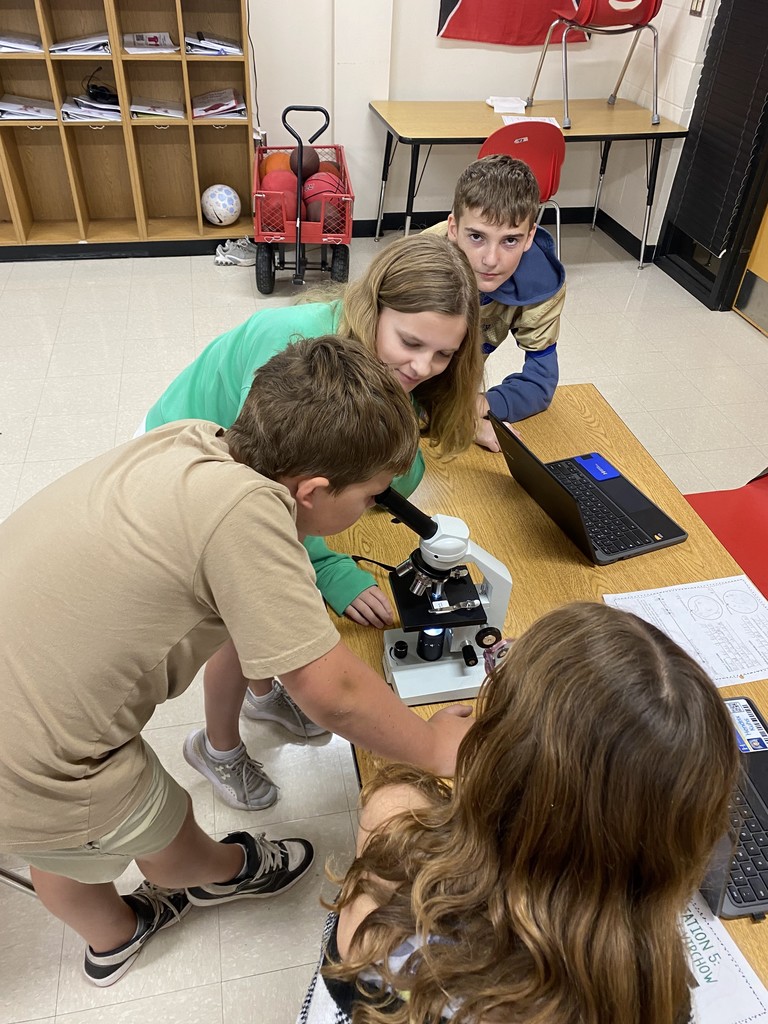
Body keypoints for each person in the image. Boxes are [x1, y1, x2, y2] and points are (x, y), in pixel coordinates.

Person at [0, 336, 474, 988]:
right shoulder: (251, 518)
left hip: (15, 715)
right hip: (48, 762)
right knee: (163, 836)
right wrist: (434, 750)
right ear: (311, 492)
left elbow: (224, 608)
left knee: (52, 852)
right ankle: (220, 876)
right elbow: (332, 691)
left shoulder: (196, 440)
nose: (374, 510)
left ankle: (110, 936)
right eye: (371, 498)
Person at [141, 234, 485, 809]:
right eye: (410, 342)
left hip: (258, 474)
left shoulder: (379, 365)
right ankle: (217, 747)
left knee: (255, 620)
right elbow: (275, 484)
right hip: (191, 458)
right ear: (373, 306)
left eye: (444, 354)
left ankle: (260, 692)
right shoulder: (297, 350)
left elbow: (374, 467)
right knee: (236, 616)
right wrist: (326, 566)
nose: (423, 366)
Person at [298, 602, 739, 1024]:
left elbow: (400, 798)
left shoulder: (391, 834)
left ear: (499, 760)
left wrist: (440, 750)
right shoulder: (655, 996)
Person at [426, 154, 566, 452]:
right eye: (476, 236)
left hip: (452, 397)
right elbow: (380, 370)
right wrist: (457, 418)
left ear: (529, 238)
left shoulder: (541, 286)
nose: (491, 260)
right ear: (453, 229)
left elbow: (540, 384)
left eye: (510, 240)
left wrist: (480, 404)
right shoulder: (420, 261)